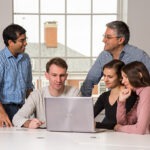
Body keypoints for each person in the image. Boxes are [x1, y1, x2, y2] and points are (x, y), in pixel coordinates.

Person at [81, 20, 150, 96]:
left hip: (137, 103)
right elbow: (89, 81)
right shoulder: (104, 56)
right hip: (114, 103)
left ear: (120, 40)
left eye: (108, 37)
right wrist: (84, 103)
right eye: (104, 36)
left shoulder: (139, 56)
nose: (103, 40)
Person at [13, 57, 81, 129]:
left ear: (66, 76)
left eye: (62, 75)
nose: (58, 80)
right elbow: (16, 118)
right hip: (42, 136)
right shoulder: (37, 95)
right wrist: (28, 123)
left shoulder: (75, 93)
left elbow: (82, 119)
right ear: (47, 75)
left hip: (68, 134)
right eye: (54, 75)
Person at [0, 24, 34, 127]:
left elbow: (28, 87)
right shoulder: (1, 60)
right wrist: (1, 114)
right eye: (22, 40)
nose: (25, 43)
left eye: (25, 39)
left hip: (22, 110)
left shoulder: (25, 58)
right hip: (4, 110)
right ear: (10, 42)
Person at [94, 60, 137, 129]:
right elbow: (89, 116)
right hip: (109, 136)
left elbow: (122, 124)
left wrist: (97, 125)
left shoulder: (130, 95)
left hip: (127, 137)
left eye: (110, 77)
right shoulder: (104, 96)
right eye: (104, 76)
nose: (105, 80)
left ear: (121, 77)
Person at [114, 61, 150, 134]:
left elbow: (140, 130)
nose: (123, 81)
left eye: (126, 77)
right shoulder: (141, 94)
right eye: (122, 77)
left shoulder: (147, 91)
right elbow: (124, 123)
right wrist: (121, 102)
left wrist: (119, 128)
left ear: (139, 75)